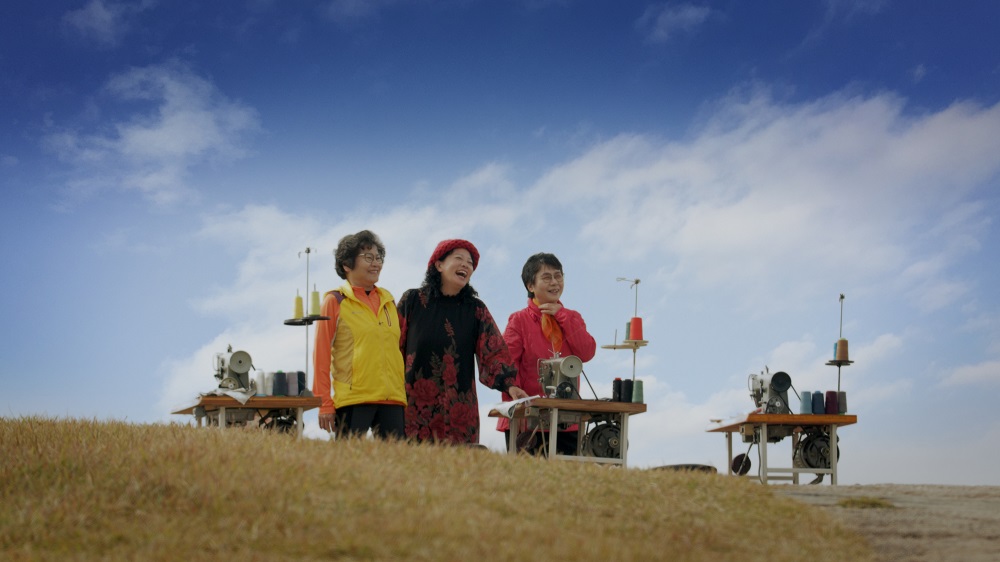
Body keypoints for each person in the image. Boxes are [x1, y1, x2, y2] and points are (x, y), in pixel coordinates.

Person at [397, 239, 529, 444]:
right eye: (459, 258)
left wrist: (510, 385)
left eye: (470, 263)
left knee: (459, 463)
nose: (466, 265)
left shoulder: (476, 310)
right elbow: (392, 346)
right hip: (413, 408)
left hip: (458, 412)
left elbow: (494, 352)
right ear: (439, 265)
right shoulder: (413, 301)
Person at [496, 252, 596, 455]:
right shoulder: (519, 320)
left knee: (568, 473)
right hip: (527, 419)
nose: (555, 282)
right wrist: (514, 392)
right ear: (530, 286)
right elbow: (506, 363)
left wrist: (562, 316)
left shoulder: (572, 317)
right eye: (547, 277)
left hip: (567, 420)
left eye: (558, 276)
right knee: (527, 473)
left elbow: (586, 352)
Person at [312, 230, 406, 440]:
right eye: (368, 257)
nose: (376, 263)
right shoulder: (335, 301)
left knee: (397, 460)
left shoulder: (389, 301)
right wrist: (324, 402)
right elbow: (321, 355)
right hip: (353, 399)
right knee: (348, 459)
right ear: (347, 264)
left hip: (392, 399)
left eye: (378, 258)